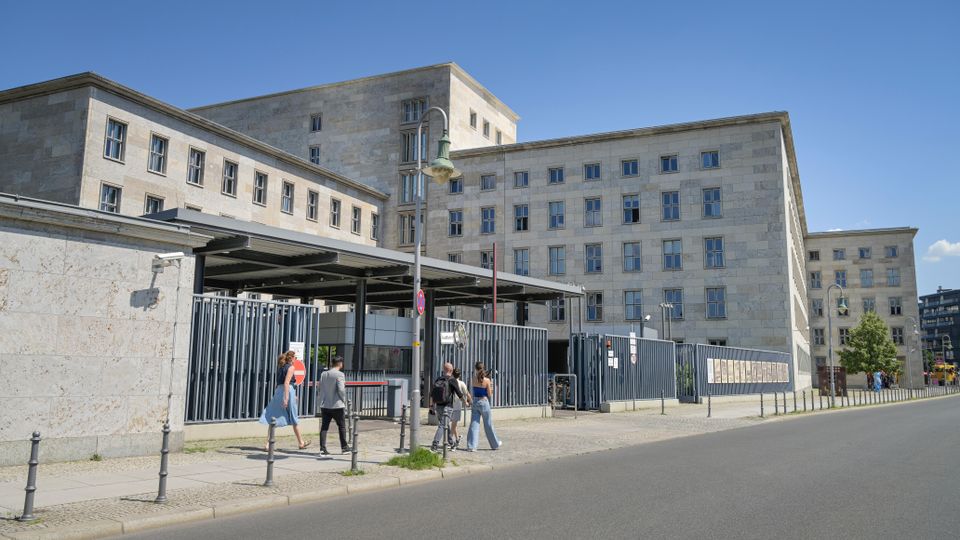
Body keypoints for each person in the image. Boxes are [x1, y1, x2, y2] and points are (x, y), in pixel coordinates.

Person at [260, 350, 310, 450]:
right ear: (292, 358)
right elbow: (287, 383)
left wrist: (290, 395)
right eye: (295, 358)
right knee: (294, 417)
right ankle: (301, 443)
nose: (296, 359)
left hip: (278, 391)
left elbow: (281, 383)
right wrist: (287, 398)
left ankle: (267, 444)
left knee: (273, 417)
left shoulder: (281, 367)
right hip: (287, 391)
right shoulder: (291, 367)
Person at [431, 362, 467, 452]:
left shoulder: (438, 379)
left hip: (438, 406)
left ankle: (451, 443)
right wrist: (465, 402)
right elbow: (459, 393)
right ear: (451, 370)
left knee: (445, 425)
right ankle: (434, 445)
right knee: (443, 425)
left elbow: (432, 393)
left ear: (444, 369)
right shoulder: (452, 380)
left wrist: (432, 406)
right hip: (447, 407)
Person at [466, 362, 501, 452]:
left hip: (475, 401)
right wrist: (491, 387)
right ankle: (495, 444)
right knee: (488, 424)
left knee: (474, 424)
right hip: (484, 401)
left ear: (475, 368)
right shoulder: (487, 380)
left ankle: (472, 446)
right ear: (483, 368)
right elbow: (489, 394)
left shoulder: (473, 378)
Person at [318, 356, 350, 455]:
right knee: (341, 426)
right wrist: (343, 399)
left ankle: (322, 449)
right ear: (340, 363)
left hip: (325, 404)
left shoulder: (324, 374)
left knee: (324, 427)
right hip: (337, 405)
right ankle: (344, 448)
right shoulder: (340, 374)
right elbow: (341, 389)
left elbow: (320, 387)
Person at [449, 367, 470, 450]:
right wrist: (469, 401)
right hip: (457, 406)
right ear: (460, 375)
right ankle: (453, 441)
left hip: (449, 405)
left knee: (452, 425)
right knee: (453, 425)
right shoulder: (461, 383)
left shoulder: (450, 381)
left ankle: (455, 440)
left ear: (452, 374)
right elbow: (466, 393)